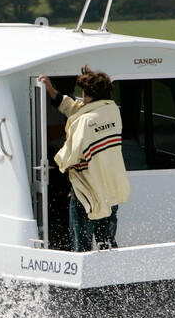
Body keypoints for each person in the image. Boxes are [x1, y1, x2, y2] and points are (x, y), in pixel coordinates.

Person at [39, 67, 130, 251]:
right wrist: (51, 90)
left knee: (82, 247)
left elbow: (68, 157)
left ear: (88, 94)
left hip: (86, 194)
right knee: (107, 244)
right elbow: (74, 108)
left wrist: (52, 160)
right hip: (110, 192)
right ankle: (111, 277)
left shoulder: (84, 122)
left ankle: (83, 278)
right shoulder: (112, 111)